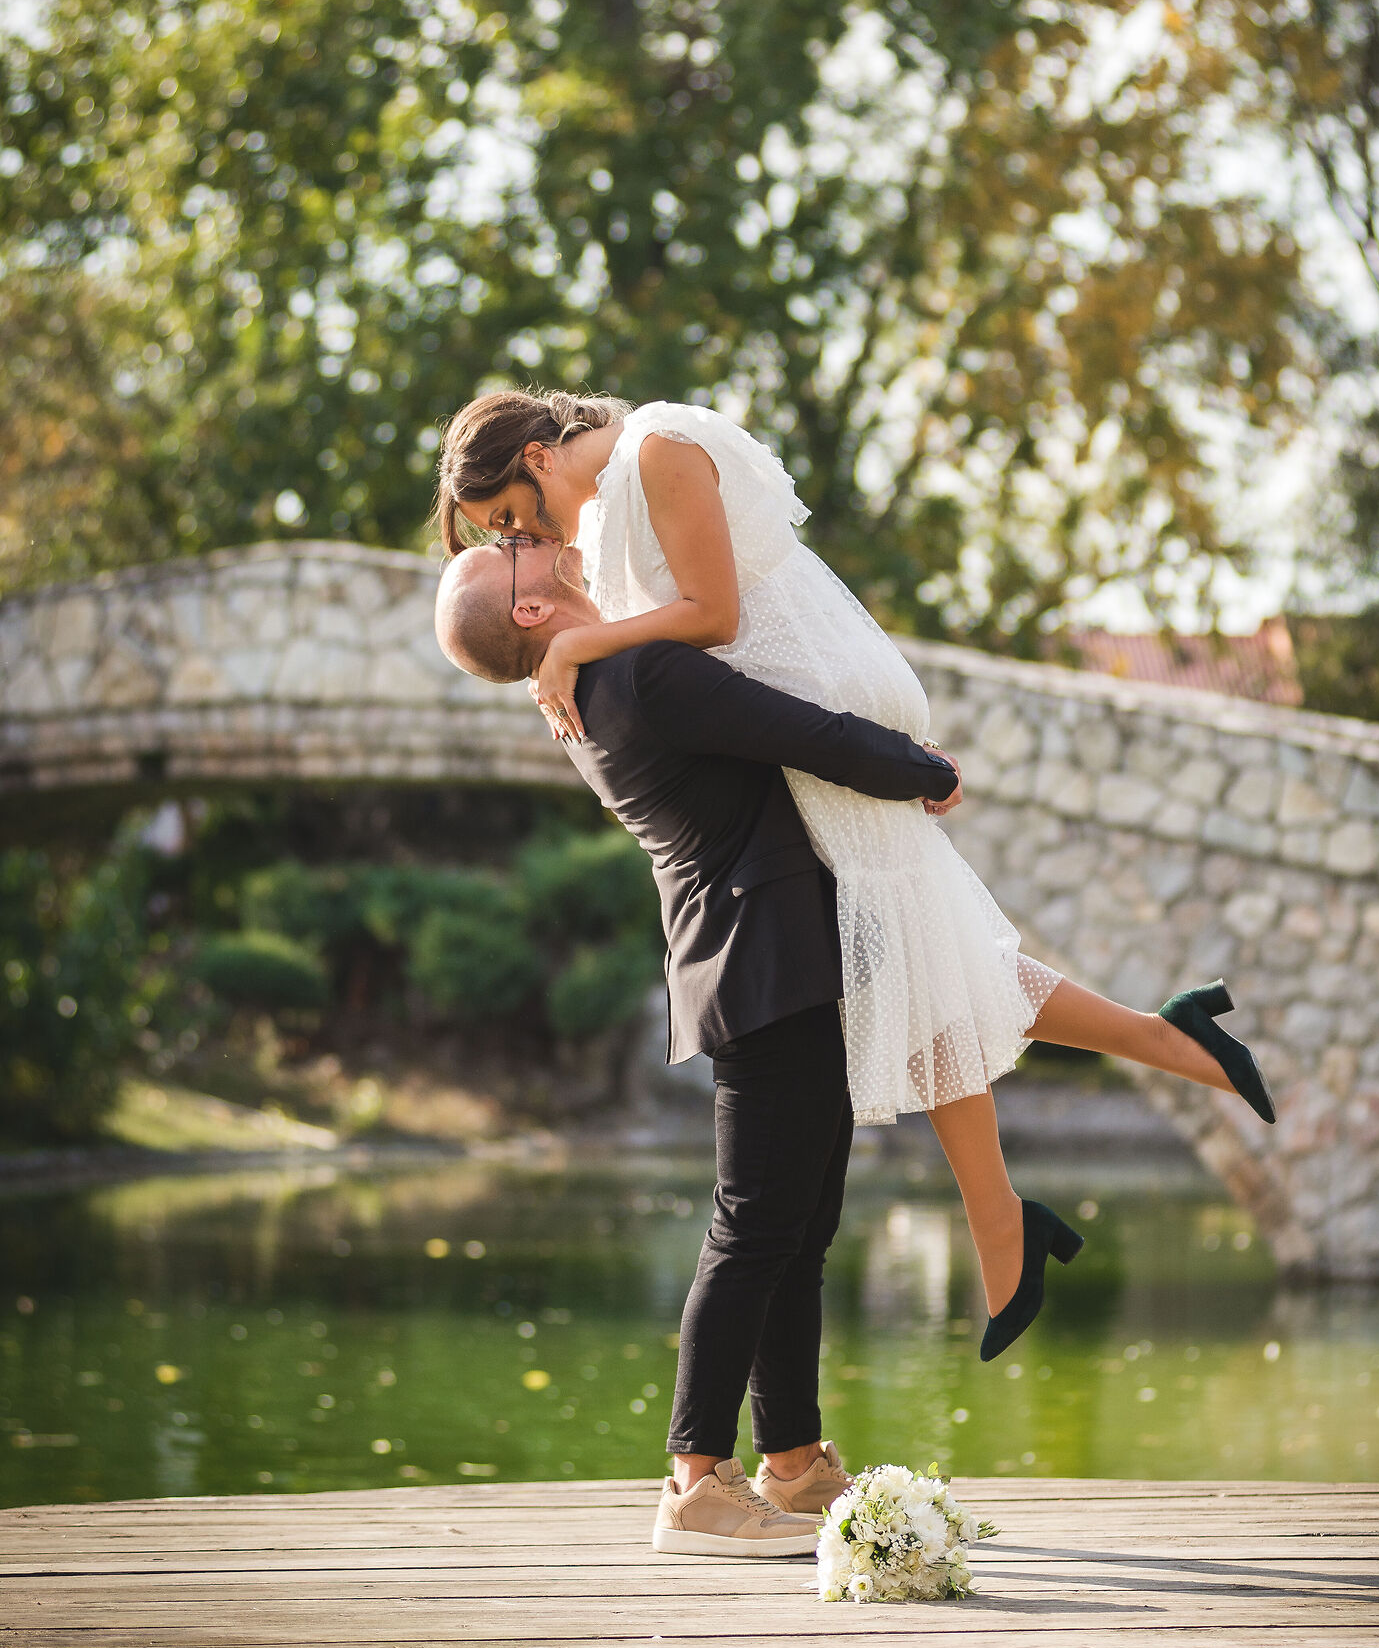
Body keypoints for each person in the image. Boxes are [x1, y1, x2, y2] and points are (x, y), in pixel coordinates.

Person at [432, 388, 1275, 1359]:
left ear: (537, 458)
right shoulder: (607, 509)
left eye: (504, 520)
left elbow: (711, 615)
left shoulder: (658, 451)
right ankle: (1098, 1118)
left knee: (901, 957)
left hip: (811, 696)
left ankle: (1016, 1213)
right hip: (781, 713)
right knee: (917, 953)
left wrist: (578, 639)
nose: (517, 538)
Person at [435, 535, 1035, 1553]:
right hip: (764, 961)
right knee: (754, 1228)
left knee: (800, 1231)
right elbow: (798, 731)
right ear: (531, 612)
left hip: (776, 957)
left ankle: (793, 1461)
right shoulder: (634, 673)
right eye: (515, 551)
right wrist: (918, 767)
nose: (531, 539)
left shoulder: (592, 683)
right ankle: (695, 1478)